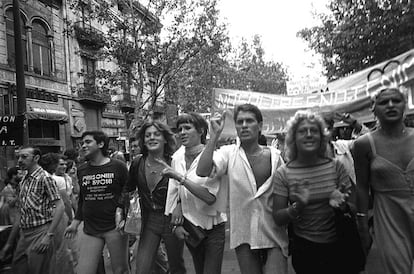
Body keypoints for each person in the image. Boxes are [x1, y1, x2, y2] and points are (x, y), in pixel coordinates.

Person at [197, 103, 288, 274]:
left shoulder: (275, 157)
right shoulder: (228, 154)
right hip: (243, 235)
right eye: (240, 122)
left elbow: (285, 192)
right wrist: (214, 136)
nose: (244, 125)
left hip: (274, 233)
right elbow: (202, 171)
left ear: (260, 126)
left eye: (249, 121)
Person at [272, 110, 352, 274]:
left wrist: (342, 205)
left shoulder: (336, 167)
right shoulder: (283, 173)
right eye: (302, 131)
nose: (309, 134)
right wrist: (298, 206)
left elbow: (356, 209)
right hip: (305, 250)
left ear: (322, 137)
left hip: (340, 246)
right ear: (293, 138)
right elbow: (278, 218)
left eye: (314, 130)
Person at [353, 87, 414, 273]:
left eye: (396, 101)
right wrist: (362, 224)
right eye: (383, 102)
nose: (390, 105)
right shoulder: (363, 144)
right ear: (374, 108)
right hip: (389, 218)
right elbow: (362, 187)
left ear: (405, 105)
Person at [163, 113, 228, 274]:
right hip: (191, 227)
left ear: (200, 131)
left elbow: (209, 197)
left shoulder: (216, 157)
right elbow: (174, 191)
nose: (182, 132)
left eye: (187, 128)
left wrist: (180, 178)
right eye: (180, 129)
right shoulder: (177, 158)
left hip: (214, 228)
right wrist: (176, 222)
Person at [64, 130, 130, 274]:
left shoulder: (118, 166)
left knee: (120, 270)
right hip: (90, 228)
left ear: (101, 144)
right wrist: (75, 222)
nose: (83, 146)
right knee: (83, 270)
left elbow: (128, 193)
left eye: (88, 142)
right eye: (82, 143)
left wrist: (123, 214)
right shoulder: (82, 170)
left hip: (115, 227)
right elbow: (83, 198)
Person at [125, 120, 186, 274]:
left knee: (176, 267)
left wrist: (179, 204)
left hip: (171, 220)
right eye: (147, 135)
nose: (152, 138)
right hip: (149, 220)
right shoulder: (138, 162)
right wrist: (121, 209)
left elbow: (185, 189)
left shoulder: (175, 162)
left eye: (156, 134)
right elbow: (128, 188)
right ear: (143, 141)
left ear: (165, 139)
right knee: (142, 268)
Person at [0, 146, 64, 274]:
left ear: (36, 158)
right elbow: (20, 212)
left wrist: (48, 235)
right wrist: (9, 243)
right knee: (18, 268)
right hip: (24, 233)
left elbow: (60, 206)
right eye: (18, 157)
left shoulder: (45, 178)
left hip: (40, 232)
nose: (19, 160)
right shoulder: (23, 180)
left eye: (24, 157)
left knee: (38, 269)